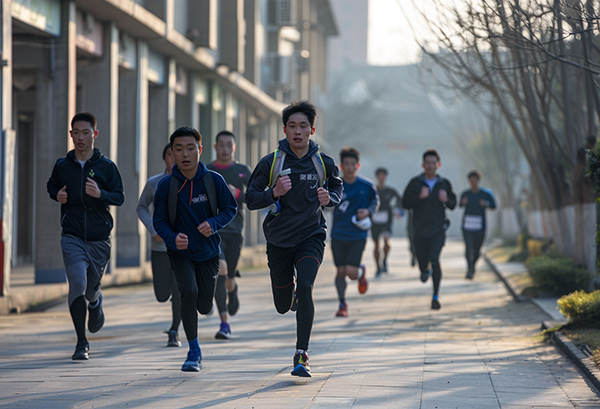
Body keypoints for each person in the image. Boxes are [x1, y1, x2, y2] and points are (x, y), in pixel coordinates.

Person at [246, 100, 343, 378]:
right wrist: (273, 192)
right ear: (285, 130)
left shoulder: (323, 162)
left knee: (307, 285)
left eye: (303, 126)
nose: (297, 131)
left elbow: (336, 187)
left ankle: (302, 354)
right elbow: (251, 199)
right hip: (278, 239)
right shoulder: (272, 162)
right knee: (281, 304)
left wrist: (330, 198)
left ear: (312, 130)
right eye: (292, 126)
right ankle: (291, 298)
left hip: (311, 234)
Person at [153, 126, 237, 372]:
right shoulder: (166, 186)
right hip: (180, 253)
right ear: (172, 153)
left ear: (200, 150)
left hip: (209, 253)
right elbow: (158, 220)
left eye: (190, 148)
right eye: (178, 149)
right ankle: (193, 350)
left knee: (204, 305)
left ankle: (199, 327)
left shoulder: (213, 181)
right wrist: (171, 237)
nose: (185, 154)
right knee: (187, 291)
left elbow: (230, 209)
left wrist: (213, 223)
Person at [47, 112, 124, 360]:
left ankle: (95, 301)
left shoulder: (107, 167)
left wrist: (101, 194)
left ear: (95, 134)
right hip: (72, 234)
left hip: (100, 239)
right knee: (77, 283)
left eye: (86, 132)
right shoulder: (62, 165)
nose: (81, 138)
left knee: (90, 289)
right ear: (71, 135)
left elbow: (119, 197)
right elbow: (51, 185)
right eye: (76, 133)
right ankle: (82, 342)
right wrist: (56, 194)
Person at [206, 130, 252, 340]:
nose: (225, 149)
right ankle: (225, 323)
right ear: (215, 147)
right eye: (221, 145)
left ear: (234, 147)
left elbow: (255, 197)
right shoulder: (206, 170)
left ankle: (232, 290)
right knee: (220, 270)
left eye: (229, 145)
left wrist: (238, 195)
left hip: (234, 230)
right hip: (212, 230)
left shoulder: (243, 170)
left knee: (228, 278)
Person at [136, 143, 182, 347]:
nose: (174, 158)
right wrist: (153, 229)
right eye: (170, 155)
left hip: (182, 248)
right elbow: (141, 207)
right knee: (162, 294)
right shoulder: (154, 183)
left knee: (180, 289)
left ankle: (174, 330)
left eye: (177, 154)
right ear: (165, 158)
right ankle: (172, 296)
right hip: (160, 248)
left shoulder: (190, 182)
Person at [402, 149, 456, 310]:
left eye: (434, 163)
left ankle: (435, 296)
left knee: (435, 259)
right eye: (428, 163)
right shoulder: (416, 183)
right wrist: (420, 197)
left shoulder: (444, 183)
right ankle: (423, 269)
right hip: (419, 231)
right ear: (423, 165)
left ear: (438, 165)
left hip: (438, 229)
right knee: (423, 261)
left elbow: (453, 204)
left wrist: (446, 200)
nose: (430, 166)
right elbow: (405, 203)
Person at [331, 148, 379, 317]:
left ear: (357, 165)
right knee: (340, 271)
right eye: (346, 164)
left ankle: (360, 272)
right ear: (341, 166)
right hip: (338, 234)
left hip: (357, 235)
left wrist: (368, 212)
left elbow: (375, 202)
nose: (350, 167)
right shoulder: (335, 185)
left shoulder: (366, 186)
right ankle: (342, 304)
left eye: (353, 164)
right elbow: (325, 202)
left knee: (351, 273)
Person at [459, 170, 497, 279]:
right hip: (467, 226)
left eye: (475, 180)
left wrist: (486, 204)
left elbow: (494, 206)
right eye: (471, 180)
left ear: (478, 181)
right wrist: (463, 202)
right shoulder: (465, 194)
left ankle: (473, 265)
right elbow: (459, 204)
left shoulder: (485, 193)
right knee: (468, 247)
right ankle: (470, 269)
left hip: (480, 226)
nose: (473, 182)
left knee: (477, 250)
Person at [371, 167, 403, 277]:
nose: (381, 178)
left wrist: (397, 210)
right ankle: (378, 267)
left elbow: (400, 201)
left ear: (386, 177)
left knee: (386, 239)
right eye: (379, 176)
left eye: (383, 176)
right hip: (374, 219)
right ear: (377, 177)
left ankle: (384, 259)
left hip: (387, 218)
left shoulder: (391, 191)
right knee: (376, 244)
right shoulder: (372, 190)